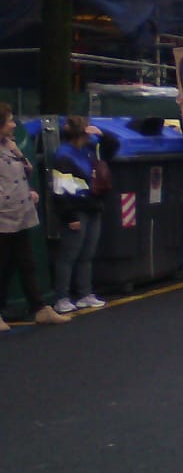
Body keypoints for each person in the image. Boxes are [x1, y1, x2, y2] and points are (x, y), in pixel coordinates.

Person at [0, 104, 70, 329]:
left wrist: (18, 153)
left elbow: (25, 172)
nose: (13, 124)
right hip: (3, 216)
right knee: (4, 265)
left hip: (20, 214)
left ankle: (40, 308)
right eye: (9, 121)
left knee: (26, 263)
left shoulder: (8, 146)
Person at [51, 115, 119, 313]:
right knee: (69, 254)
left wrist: (102, 134)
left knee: (86, 254)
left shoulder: (90, 148)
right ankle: (62, 297)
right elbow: (59, 190)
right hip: (76, 209)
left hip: (92, 206)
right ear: (81, 134)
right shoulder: (64, 155)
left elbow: (113, 147)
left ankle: (84, 293)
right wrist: (70, 216)